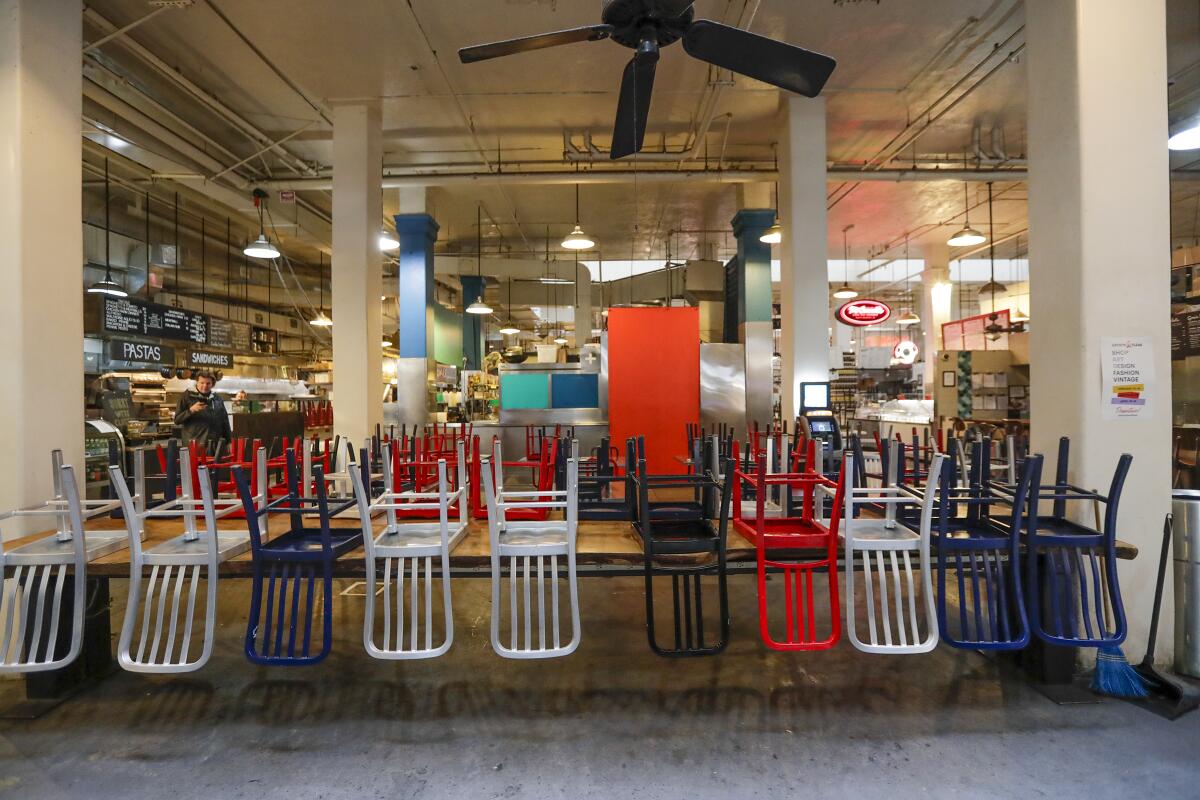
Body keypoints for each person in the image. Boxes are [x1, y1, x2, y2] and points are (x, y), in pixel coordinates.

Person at [174, 371, 232, 446]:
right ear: (197, 382)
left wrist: (228, 441)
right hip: (194, 446)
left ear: (212, 384)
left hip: (214, 445)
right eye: (202, 383)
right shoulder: (187, 396)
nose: (205, 386)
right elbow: (177, 420)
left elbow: (225, 421)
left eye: (208, 383)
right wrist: (191, 410)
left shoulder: (217, 399)